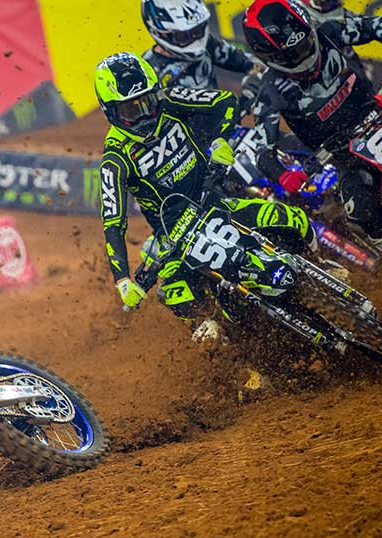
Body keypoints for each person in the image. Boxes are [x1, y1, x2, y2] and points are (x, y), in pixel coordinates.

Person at [95, 52, 314, 334]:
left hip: (214, 199)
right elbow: (113, 223)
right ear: (111, 112)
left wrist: (220, 139)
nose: (145, 114)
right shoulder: (114, 160)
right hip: (175, 235)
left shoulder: (169, 100)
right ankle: (234, 348)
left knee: (291, 218)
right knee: (179, 297)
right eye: (130, 110)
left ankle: (320, 266)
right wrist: (123, 280)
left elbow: (225, 101)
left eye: (147, 101)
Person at [243, 0, 382, 244]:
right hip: (344, 156)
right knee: (362, 211)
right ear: (271, 56)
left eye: (306, 42)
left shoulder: (329, 31)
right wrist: (284, 176)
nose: (305, 53)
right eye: (294, 52)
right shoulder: (270, 92)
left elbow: (375, 26)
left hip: (376, 111)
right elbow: (263, 153)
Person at [142, 0, 261, 90]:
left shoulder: (208, 44)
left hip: (223, 113)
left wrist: (254, 78)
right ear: (161, 33)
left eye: (197, 30)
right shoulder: (147, 71)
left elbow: (248, 62)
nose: (194, 40)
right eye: (182, 36)